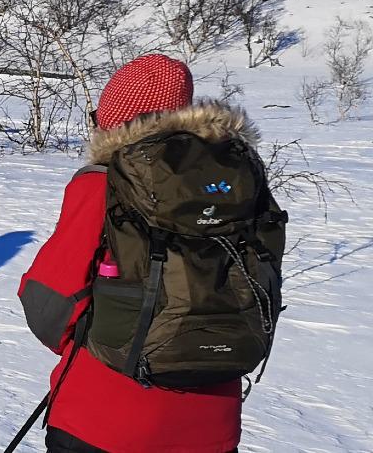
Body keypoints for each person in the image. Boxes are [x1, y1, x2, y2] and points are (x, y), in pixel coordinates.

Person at [18, 54, 270, 452]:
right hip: (212, 424)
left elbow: (50, 304)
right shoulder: (237, 182)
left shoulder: (102, 185)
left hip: (103, 418)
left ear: (113, 120)